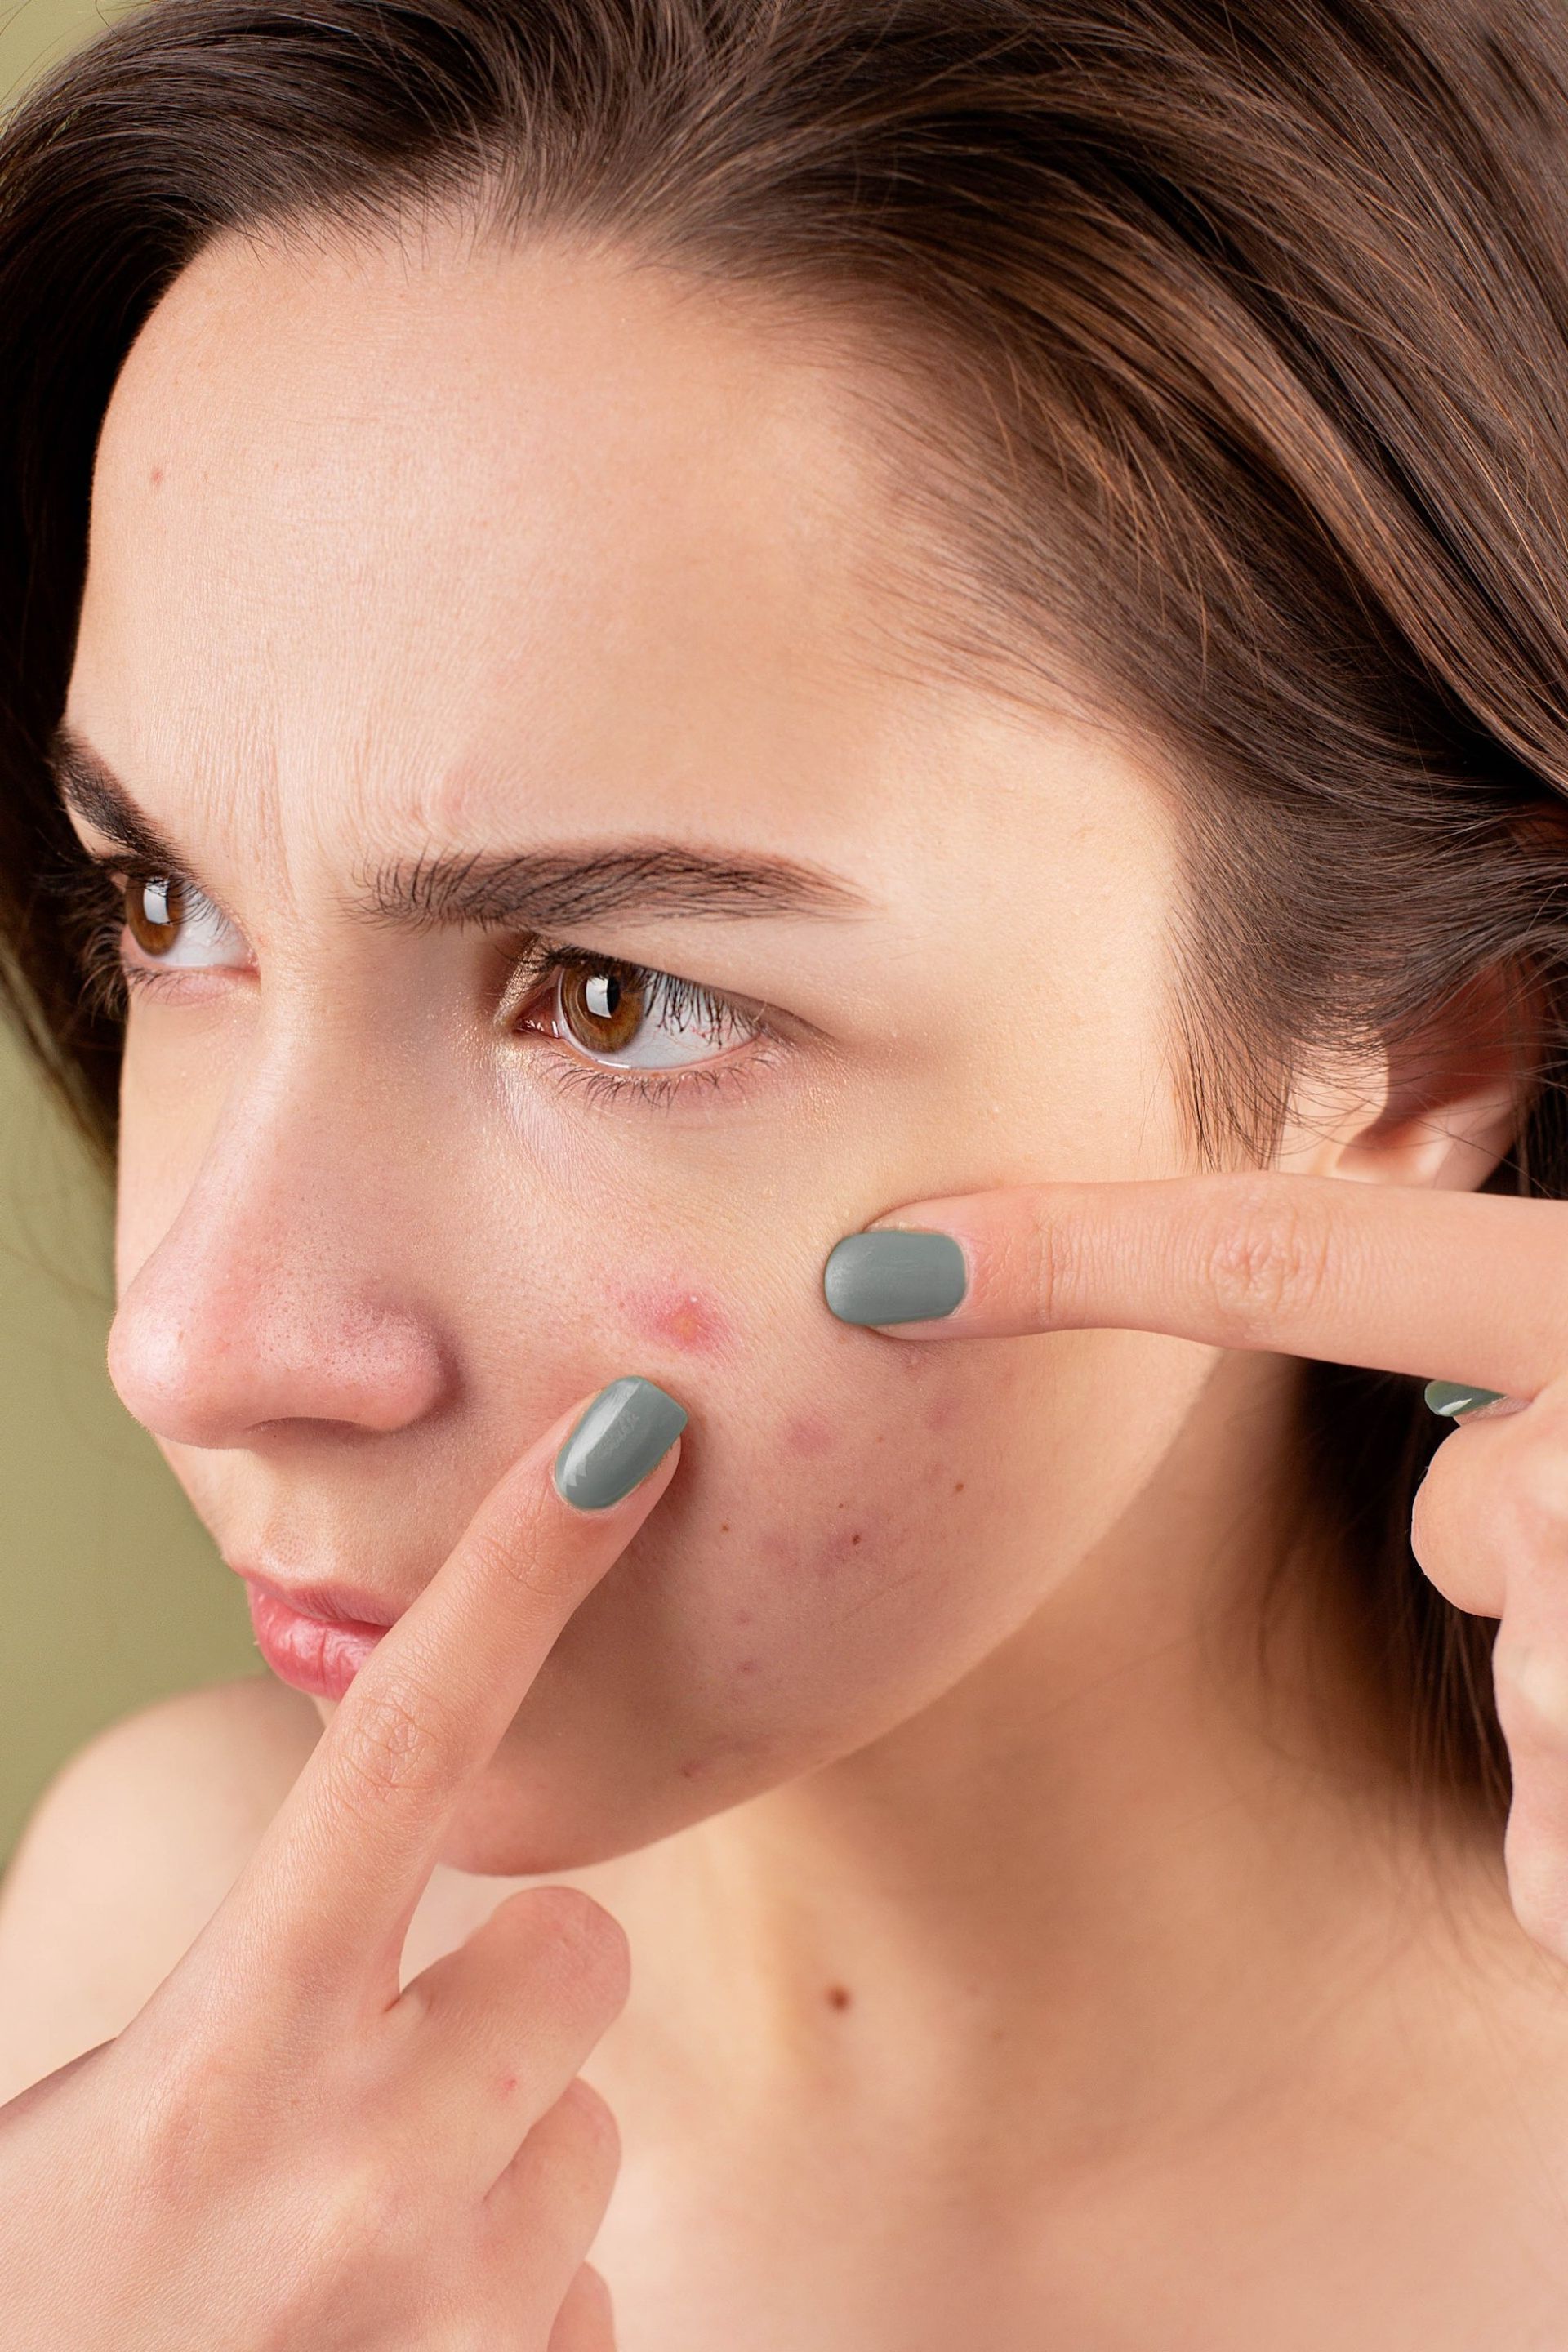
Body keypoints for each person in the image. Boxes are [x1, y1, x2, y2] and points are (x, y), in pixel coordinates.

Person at [0, 0, 1566, 2337]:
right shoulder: (150, 2015)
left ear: (1432, 1049)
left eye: (614, 996)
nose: (193, 1338)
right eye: (167, 908)